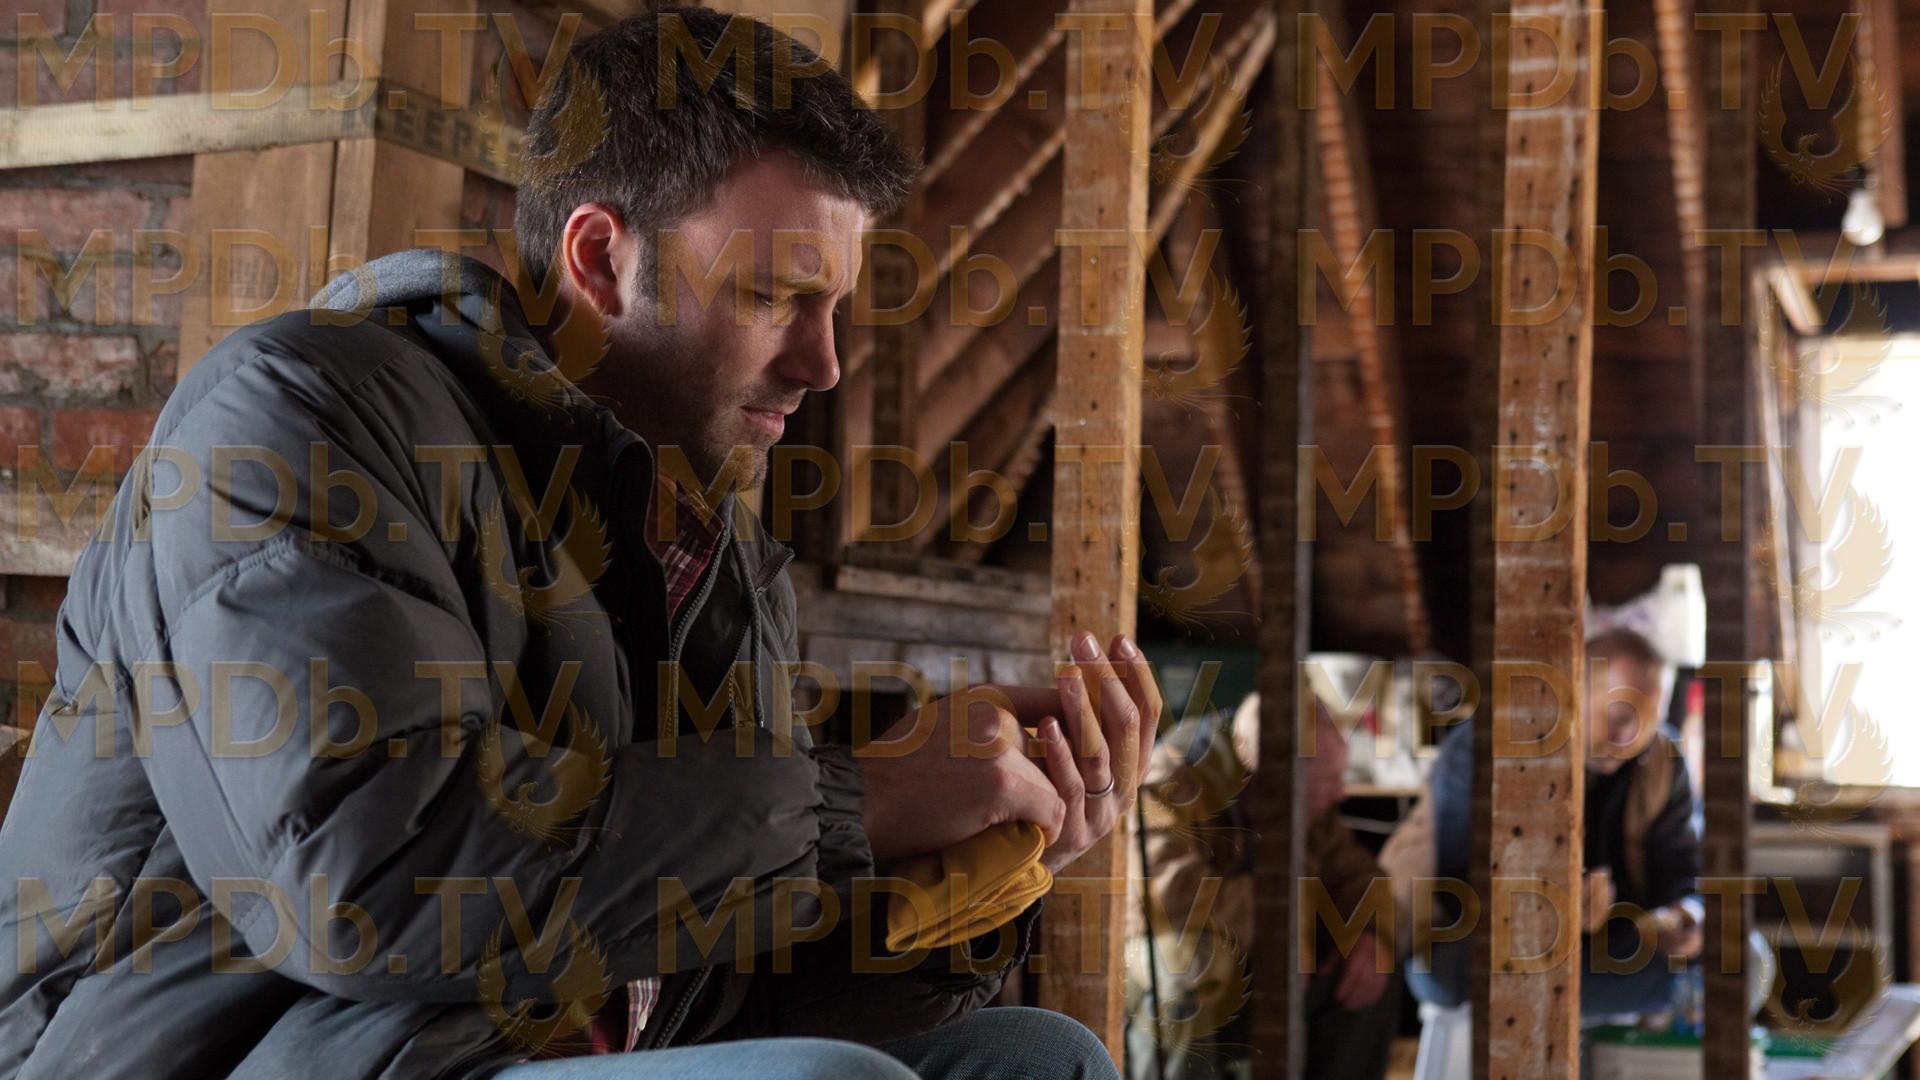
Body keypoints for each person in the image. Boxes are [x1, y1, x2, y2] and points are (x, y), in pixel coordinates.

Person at [0, 10, 1162, 1078]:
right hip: (246, 1059)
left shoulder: (714, 552)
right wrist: (861, 801)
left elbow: (711, 1003)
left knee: (1036, 1058)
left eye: (833, 309)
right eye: (775, 297)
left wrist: (979, 862)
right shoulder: (297, 415)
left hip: (502, 1054)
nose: (823, 364)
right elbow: (365, 882)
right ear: (601, 259)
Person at [1383, 626, 1703, 1017]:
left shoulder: (1662, 760)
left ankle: (1548, 1003)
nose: (1629, 737)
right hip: (1498, 939)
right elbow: (1457, 882)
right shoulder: (1485, 745)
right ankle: (1557, 1003)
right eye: (1618, 718)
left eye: (1647, 722)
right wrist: (1550, 908)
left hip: (1608, 944)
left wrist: (1686, 913)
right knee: (1441, 973)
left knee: (1740, 958)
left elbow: (1681, 865)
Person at [1125, 694, 1398, 1080]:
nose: (1341, 793)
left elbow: (1357, 874)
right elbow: (1173, 900)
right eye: (1329, 779)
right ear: (1273, 780)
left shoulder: (1308, 806)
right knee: (1185, 971)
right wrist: (1286, 926)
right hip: (1162, 961)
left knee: (1369, 972)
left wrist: (1370, 932)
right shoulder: (1173, 779)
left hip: (1250, 957)